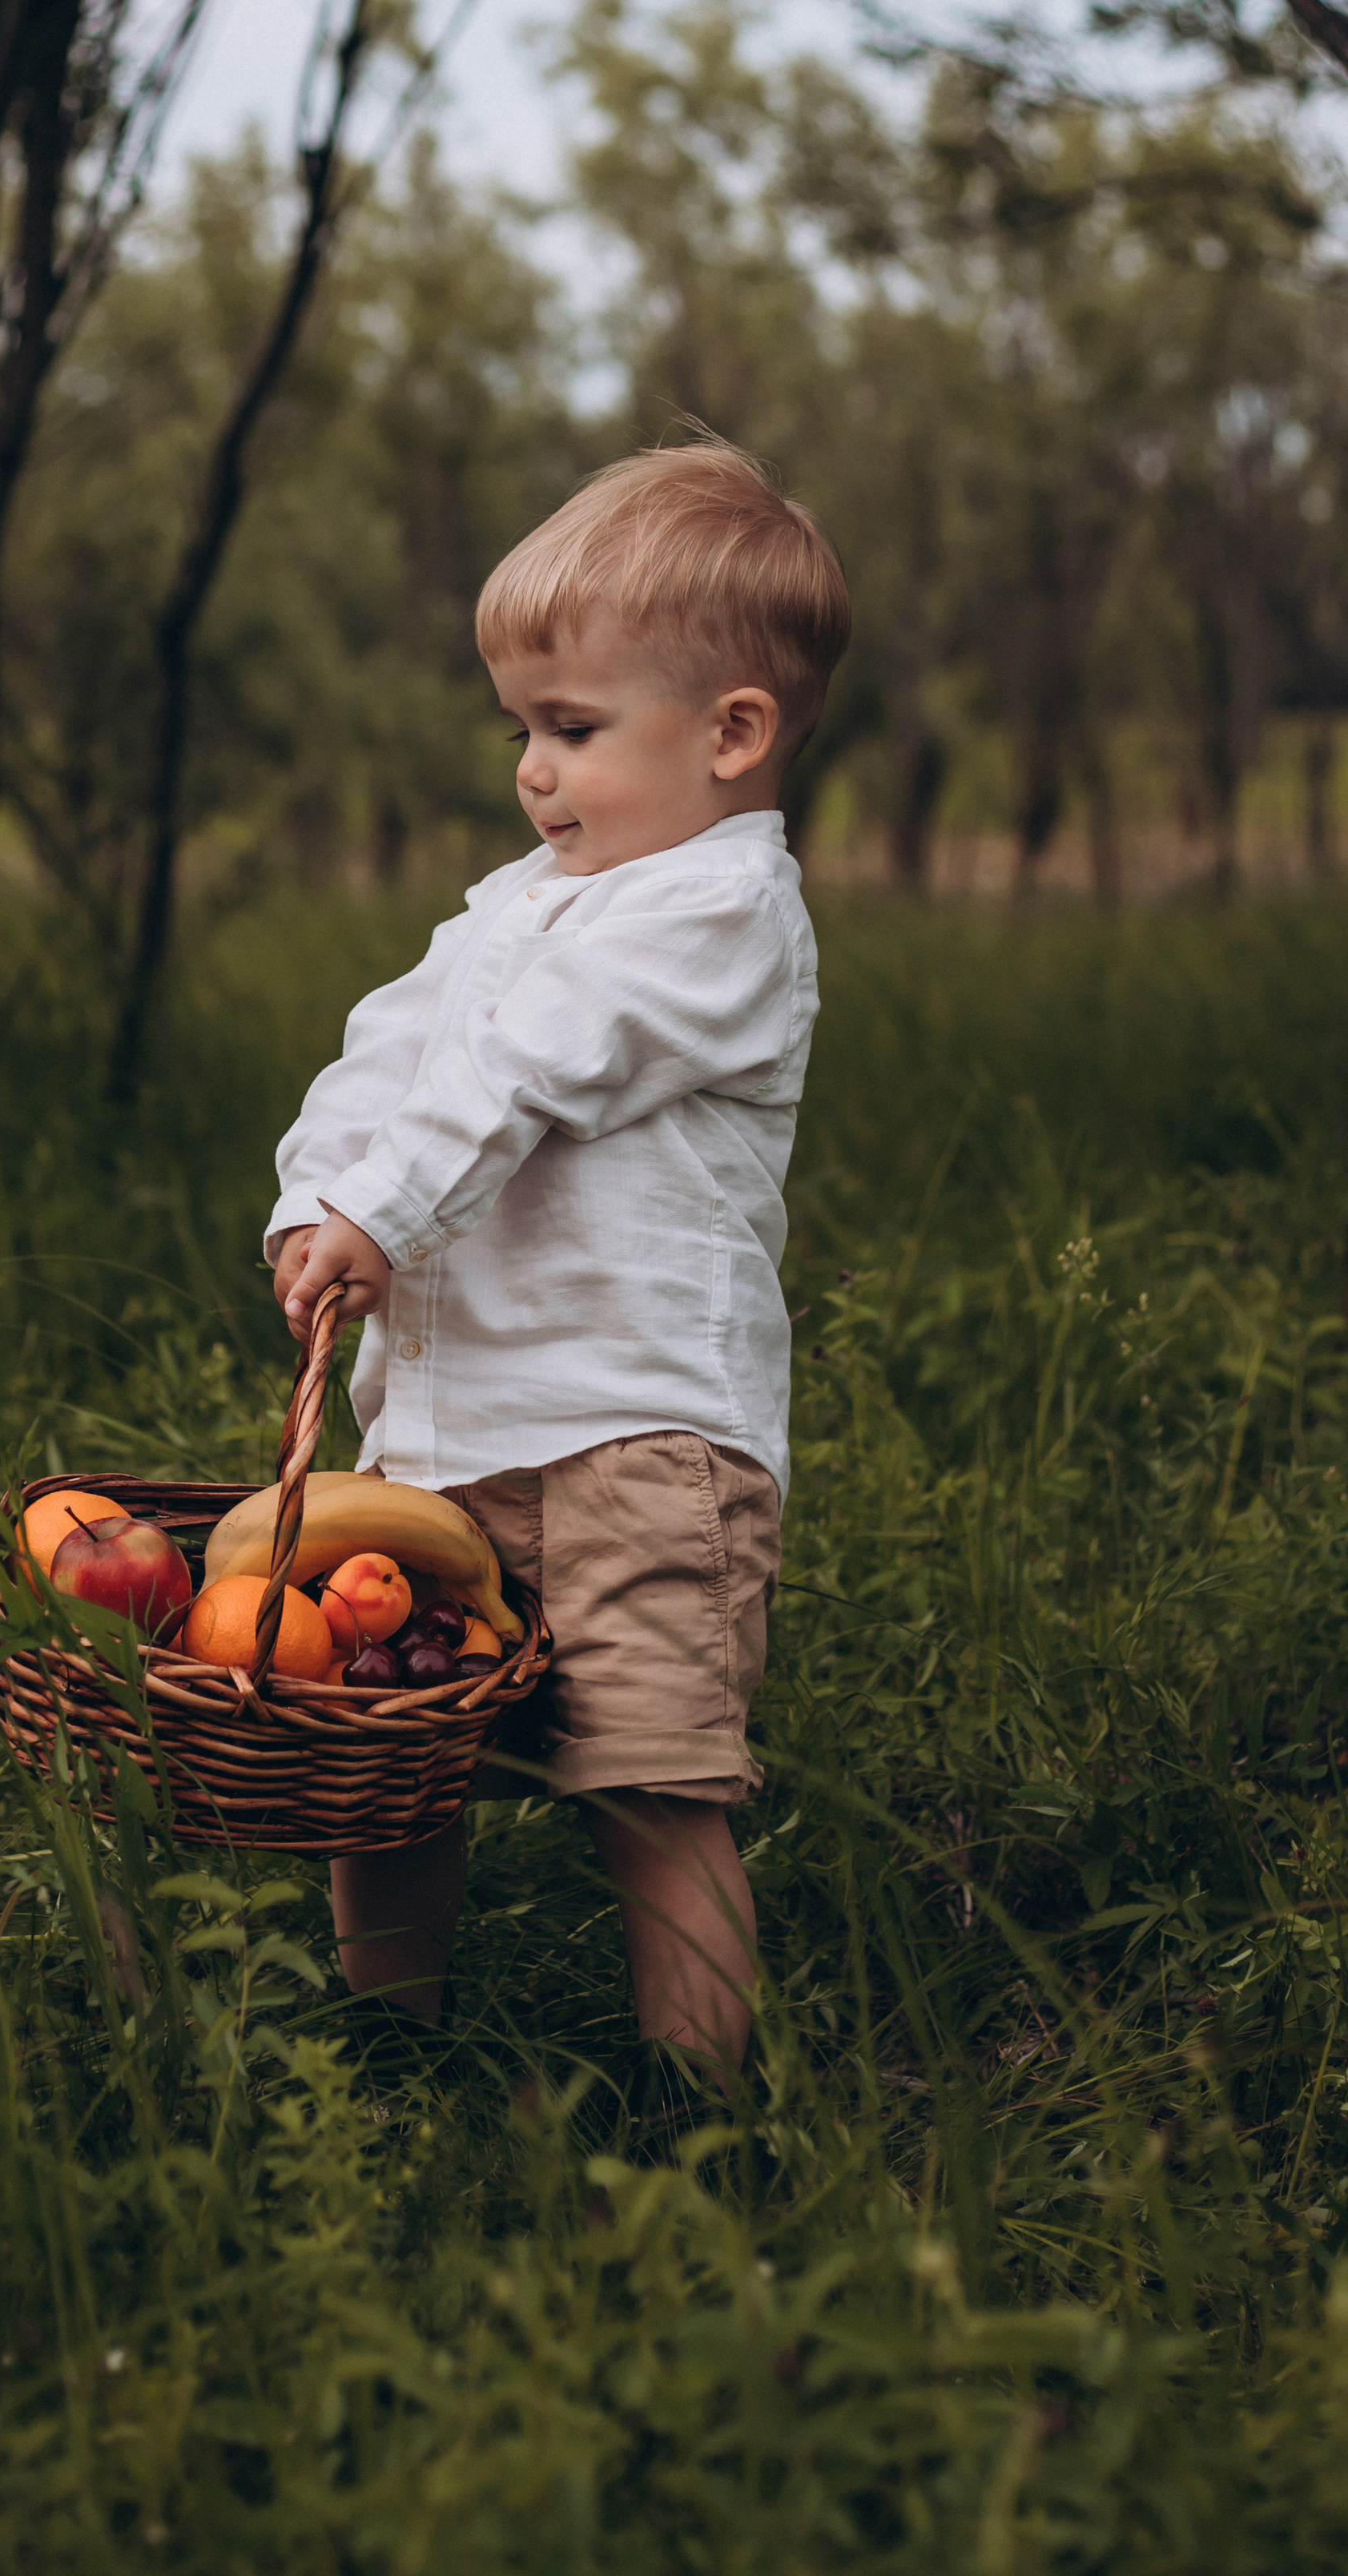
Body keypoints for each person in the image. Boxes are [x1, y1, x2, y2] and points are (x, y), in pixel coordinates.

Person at [265, 436, 851, 2083]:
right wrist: (318, 1200)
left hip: (635, 1443)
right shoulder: (523, 901)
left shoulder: (719, 915)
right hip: (446, 1445)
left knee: (653, 1791)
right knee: (383, 1770)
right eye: (523, 727)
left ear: (730, 732)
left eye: (573, 730)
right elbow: (390, 1055)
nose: (532, 769)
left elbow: (527, 1070)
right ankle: (387, 2062)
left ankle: (697, 2121)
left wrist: (389, 1213)